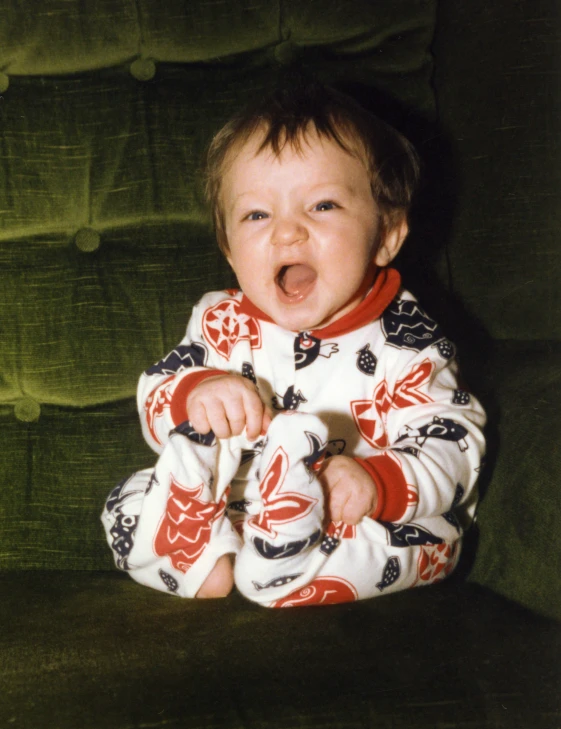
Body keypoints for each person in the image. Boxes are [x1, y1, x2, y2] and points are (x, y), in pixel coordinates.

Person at [101, 80, 486, 607]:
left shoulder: (411, 346)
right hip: (241, 508)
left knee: (423, 542)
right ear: (231, 250)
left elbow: (454, 447)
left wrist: (377, 482)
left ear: (387, 235)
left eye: (322, 205)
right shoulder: (220, 321)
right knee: (130, 499)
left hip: (355, 516)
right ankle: (202, 552)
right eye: (257, 215)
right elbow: (154, 395)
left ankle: (286, 559)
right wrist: (196, 393)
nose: (286, 234)